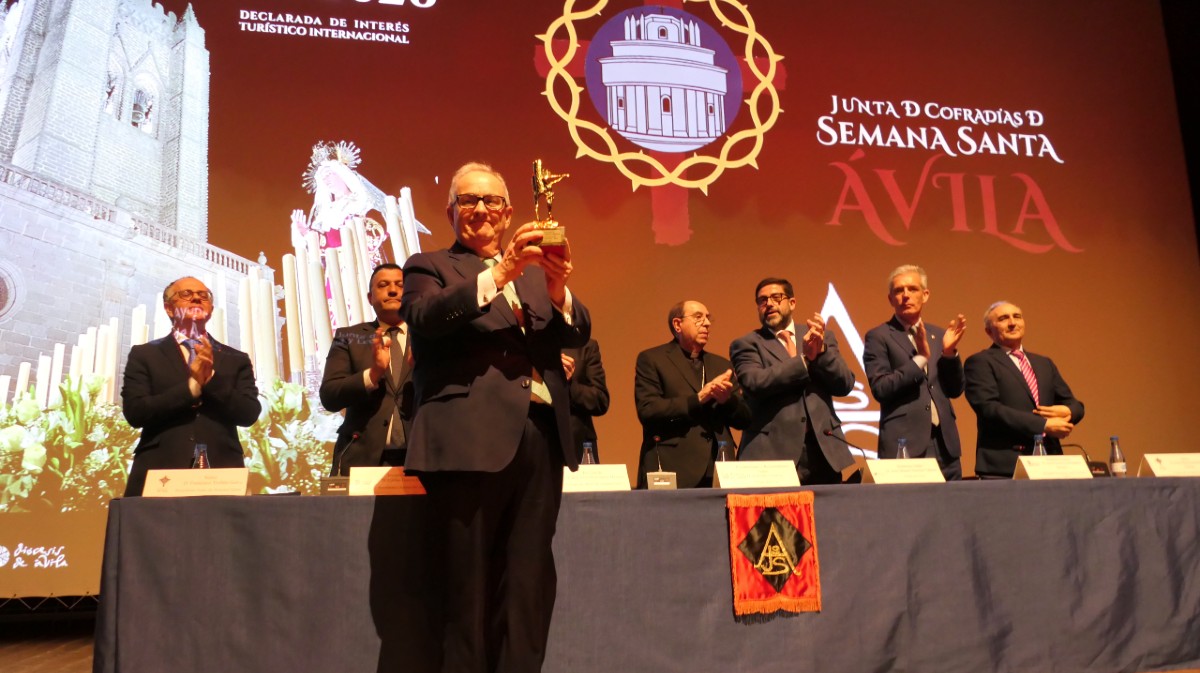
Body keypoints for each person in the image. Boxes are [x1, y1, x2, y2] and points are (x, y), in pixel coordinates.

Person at [400, 162, 590, 673]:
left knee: (528, 590)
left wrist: (555, 286)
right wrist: (500, 271)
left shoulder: (531, 283)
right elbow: (424, 318)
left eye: (490, 202)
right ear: (451, 211)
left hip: (539, 439)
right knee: (468, 590)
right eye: (468, 201)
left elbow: (574, 335)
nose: (480, 210)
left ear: (508, 213)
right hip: (469, 442)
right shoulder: (429, 264)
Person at [120, 277, 260, 496]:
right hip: (160, 471)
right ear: (168, 308)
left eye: (203, 295)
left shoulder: (235, 358)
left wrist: (211, 379)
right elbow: (135, 413)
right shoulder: (145, 355)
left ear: (211, 309)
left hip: (222, 473)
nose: (196, 297)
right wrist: (192, 389)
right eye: (185, 294)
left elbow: (249, 413)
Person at [730, 278, 856, 485]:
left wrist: (821, 353)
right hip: (772, 452)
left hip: (822, 450)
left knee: (828, 516)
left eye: (776, 297)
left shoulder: (820, 337)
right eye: (762, 300)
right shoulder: (747, 343)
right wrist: (805, 361)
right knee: (776, 518)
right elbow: (755, 383)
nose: (769, 303)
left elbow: (844, 385)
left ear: (792, 303)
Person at [863, 265, 967, 480]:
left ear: (925, 295)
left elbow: (955, 390)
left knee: (952, 510)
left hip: (945, 446)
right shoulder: (879, 336)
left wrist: (949, 354)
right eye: (899, 291)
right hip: (904, 445)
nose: (906, 295)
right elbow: (881, 388)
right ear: (890, 299)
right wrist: (920, 359)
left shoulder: (939, 334)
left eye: (913, 289)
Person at [634, 300, 751, 488]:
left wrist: (726, 400)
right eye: (698, 317)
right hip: (673, 464)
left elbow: (745, 419)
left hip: (719, 466)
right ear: (677, 324)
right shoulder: (653, 359)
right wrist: (698, 398)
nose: (706, 323)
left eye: (708, 318)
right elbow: (649, 411)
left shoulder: (721, 365)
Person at [964, 300, 1085, 478]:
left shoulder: (1043, 363)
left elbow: (1075, 404)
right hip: (1005, 466)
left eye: (1017, 317)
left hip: (1051, 462)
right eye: (1004, 318)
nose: (1012, 322)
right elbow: (989, 409)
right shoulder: (980, 362)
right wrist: (1043, 425)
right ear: (989, 331)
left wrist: (1067, 411)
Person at [319, 263, 413, 475]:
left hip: (421, 459)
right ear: (370, 297)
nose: (392, 290)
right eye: (383, 285)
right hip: (363, 460)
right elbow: (329, 396)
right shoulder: (349, 337)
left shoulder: (426, 336)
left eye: (400, 284)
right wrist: (372, 375)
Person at [561, 338, 610, 462]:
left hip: (577, 445)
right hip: (533, 442)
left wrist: (569, 383)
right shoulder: (525, 342)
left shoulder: (585, 346)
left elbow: (600, 400)